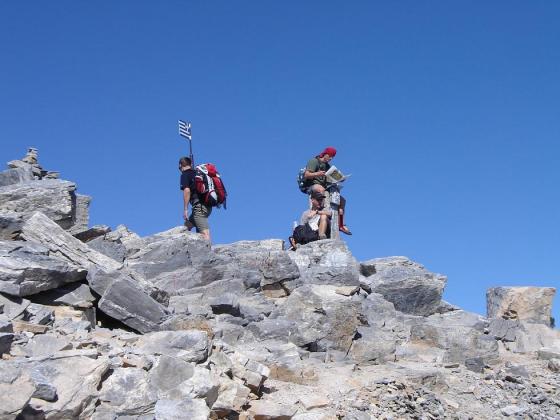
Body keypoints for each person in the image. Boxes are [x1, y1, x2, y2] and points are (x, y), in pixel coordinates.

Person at [302, 146, 352, 235]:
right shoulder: (314, 161)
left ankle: (341, 224)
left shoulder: (327, 166)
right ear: (325, 154)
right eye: (330, 156)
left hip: (325, 187)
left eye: (333, 157)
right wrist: (317, 173)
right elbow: (306, 175)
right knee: (321, 189)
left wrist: (340, 179)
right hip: (312, 185)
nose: (331, 158)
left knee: (342, 200)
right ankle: (319, 213)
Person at [179, 157, 212, 242]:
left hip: (199, 207)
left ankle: (208, 253)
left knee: (205, 234)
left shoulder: (185, 174)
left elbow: (187, 190)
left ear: (181, 166)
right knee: (187, 226)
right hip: (207, 205)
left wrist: (185, 209)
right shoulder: (198, 173)